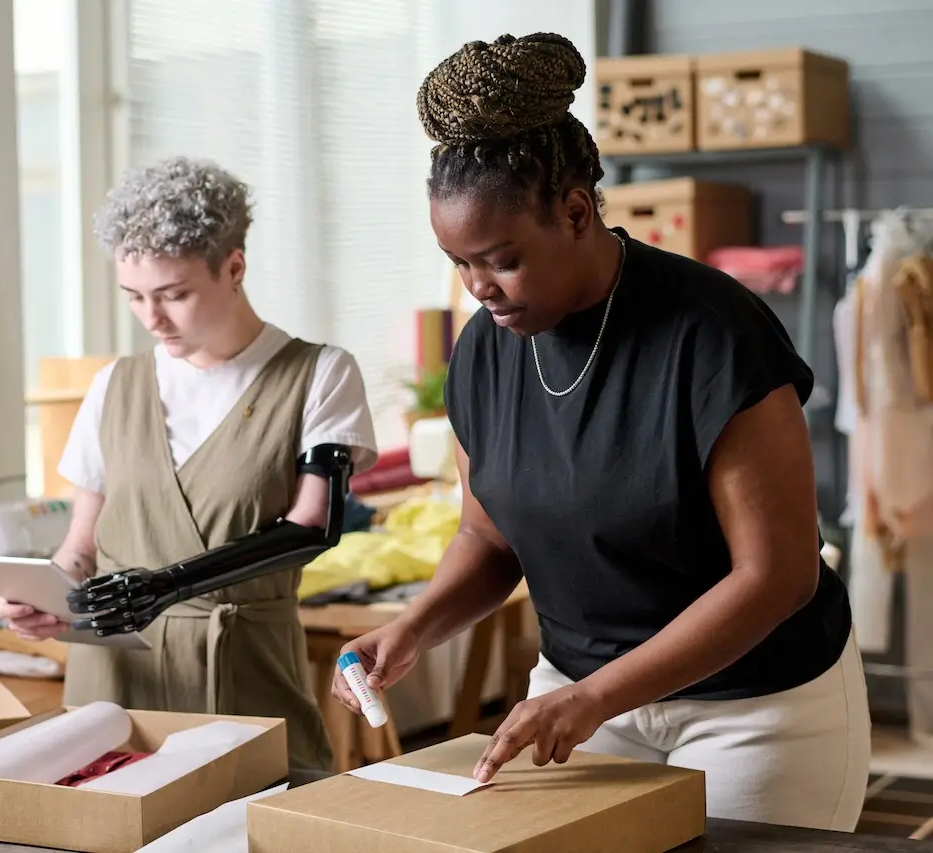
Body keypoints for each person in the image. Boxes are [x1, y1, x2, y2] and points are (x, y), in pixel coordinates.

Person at [332, 33, 869, 831]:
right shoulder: (484, 348)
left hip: (754, 706)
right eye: (459, 263)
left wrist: (594, 696)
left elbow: (777, 574)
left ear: (576, 211)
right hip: (584, 691)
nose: (480, 287)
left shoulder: (713, 332)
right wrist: (416, 627)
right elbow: (488, 537)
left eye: (502, 259)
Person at [0, 155, 378, 772]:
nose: (152, 318)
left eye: (174, 294)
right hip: (114, 684)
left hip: (241, 670)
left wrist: (166, 586)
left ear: (234, 267)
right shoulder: (115, 386)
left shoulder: (316, 374)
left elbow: (315, 526)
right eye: (134, 297)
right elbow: (81, 547)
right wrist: (41, 597)